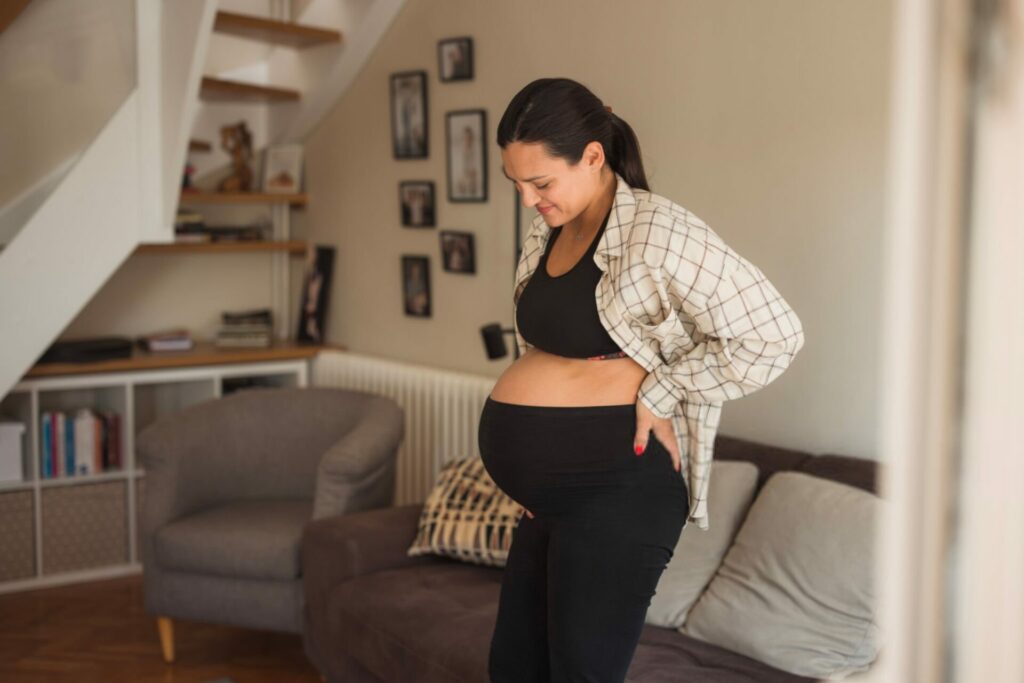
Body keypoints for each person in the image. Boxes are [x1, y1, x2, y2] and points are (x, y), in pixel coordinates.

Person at [478, 77, 805, 682]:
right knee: (514, 668)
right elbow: (549, 348)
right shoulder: (547, 227)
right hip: (549, 499)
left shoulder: (659, 232)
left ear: (594, 157)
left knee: (580, 673)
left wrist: (664, 389)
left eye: (540, 182)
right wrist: (528, 467)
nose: (527, 199)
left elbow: (774, 334)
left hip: (617, 490)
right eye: (516, 183)